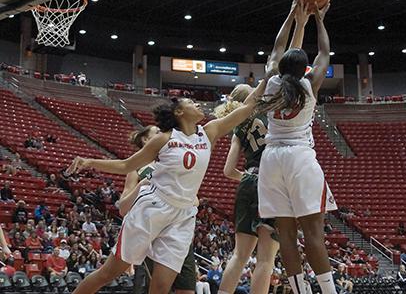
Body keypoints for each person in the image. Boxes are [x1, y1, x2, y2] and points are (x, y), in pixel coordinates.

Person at [66, 80, 268, 294]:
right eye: (191, 102)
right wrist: (90, 162)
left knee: (162, 286)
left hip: (183, 216)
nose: (198, 105)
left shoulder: (209, 132)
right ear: (179, 111)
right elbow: (127, 165)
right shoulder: (163, 139)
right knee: (109, 273)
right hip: (152, 207)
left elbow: (247, 108)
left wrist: (267, 80)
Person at [215, 0, 309, 294]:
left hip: (250, 180)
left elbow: (229, 170)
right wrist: (300, 22)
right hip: (273, 179)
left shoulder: (239, 123)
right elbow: (287, 57)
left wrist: (250, 176)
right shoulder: (274, 98)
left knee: (239, 256)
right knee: (266, 261)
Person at [257, 0, 336, 294]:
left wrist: (292, 16)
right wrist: (319, 19)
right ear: (305, 68)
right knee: (314, 234)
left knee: (286, 235)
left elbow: (278, 48)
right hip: (299, 158)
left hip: (271, 159)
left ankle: (300, 291)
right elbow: (325, 52)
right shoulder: (309, 84)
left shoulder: (271, 83)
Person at [119, 125, 198, 294]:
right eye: (158, 132)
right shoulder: (136, 169)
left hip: (180, 234)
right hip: (153, 233)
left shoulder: (173, 163)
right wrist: (142, 185)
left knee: (187, 291)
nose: (164, 135)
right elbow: (123, 207)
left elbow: (196, 201)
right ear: (146, 140)